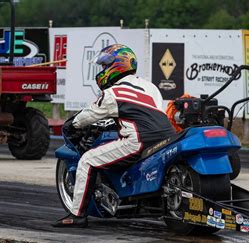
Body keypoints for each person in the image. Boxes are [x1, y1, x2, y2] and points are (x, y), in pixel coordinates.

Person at [53, 44, 176, 228]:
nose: (102, 70)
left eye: (104, 66)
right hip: (166, 139)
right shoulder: (150, 87)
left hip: (138, 141)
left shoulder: (112, 94)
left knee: (87, 160)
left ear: (116, 66)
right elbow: (148, 114)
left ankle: (76, 214)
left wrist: (72, 124)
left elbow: (88, 115)